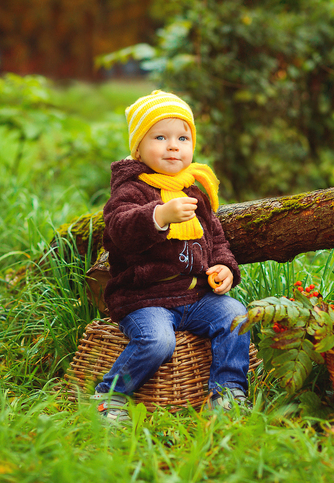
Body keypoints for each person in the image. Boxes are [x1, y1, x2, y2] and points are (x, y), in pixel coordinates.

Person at [92, 90, 250, 421]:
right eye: (160, 137)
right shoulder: (131, 189)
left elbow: (216, 239)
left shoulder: (194, 191)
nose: (173, 145)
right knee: (158, 342)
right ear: (138, 148)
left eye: (182, 137)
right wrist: (158, 217)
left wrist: (224, 268)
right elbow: (118, 231)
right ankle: (111, 394)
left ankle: (227, 393)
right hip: (144, 298)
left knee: (235, 316)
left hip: (193, 295)